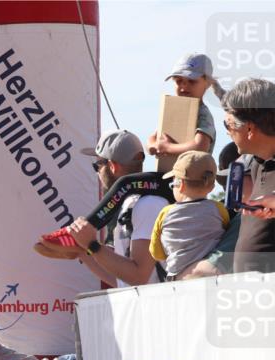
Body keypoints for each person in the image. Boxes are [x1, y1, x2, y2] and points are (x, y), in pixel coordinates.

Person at [61, 130, 170, 287]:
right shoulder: (132, 203)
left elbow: (139, 276)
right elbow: (123, 280)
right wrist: (83, 251)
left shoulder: (148, 204)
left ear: (112, 166)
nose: (97, 172)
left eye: (97, 166)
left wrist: (92, 245)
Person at [149, 151, 230, 280]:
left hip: (177, 277)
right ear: (212, 187)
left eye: (172, 184)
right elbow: (226, 233)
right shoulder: (218, 209)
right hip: (211, 274)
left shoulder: (165, 213)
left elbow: (156, 253)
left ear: (180, 185)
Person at [222, 78, 275, 273]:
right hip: (254, 295)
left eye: (228, 125)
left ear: (249, 129)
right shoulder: (254, 162)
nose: (227, 132)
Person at [147, 53, 224, 159]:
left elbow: (201, 146)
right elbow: (153, 138)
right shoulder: (172, 110)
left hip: (193, 173)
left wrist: (168, 147)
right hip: (168, 172)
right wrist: (153, 146)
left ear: (207, 83)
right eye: (179, 81)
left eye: (192, 81)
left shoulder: (202, 114)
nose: (183, 87)